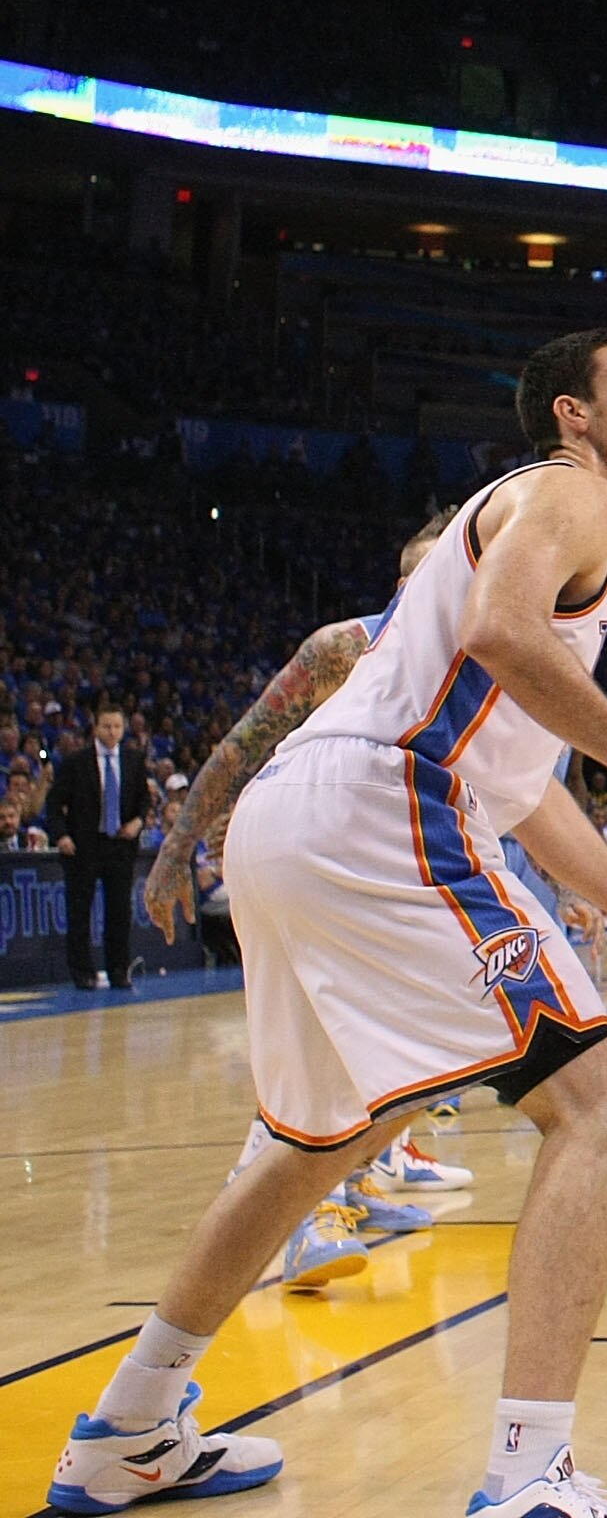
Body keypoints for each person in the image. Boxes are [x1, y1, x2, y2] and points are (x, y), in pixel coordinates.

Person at [50, 327, 607, 1518]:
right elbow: (502, 634)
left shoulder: (558, 525)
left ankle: (127, 1427)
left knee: (314, 1144)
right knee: (604, 1104)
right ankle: (531, 1476)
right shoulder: (567, 491)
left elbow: (522, 788)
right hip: (383, 806)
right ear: (572, 415)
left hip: (299, 820)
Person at [144, 510, 480, 1293]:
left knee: (414, 1053)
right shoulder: (343, 648)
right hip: (302, 859)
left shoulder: (466, 667)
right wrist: (172, 854)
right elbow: (237, 748)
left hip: (383, 870)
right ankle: (300, 1224)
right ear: (406, 584)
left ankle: (355, 1185)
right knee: (318, 1054)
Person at [49, 705, 152, 992]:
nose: (112, 732)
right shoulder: (75, 762)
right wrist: (61, 836)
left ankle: (119, 970)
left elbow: (144, 799)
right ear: (96, 727)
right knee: (79, 913)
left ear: (123, 728)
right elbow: (54, 803)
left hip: (119, 845)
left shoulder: (133, 760)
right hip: (84, 845)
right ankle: (82, 973)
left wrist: (138, 822)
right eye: (107, 726)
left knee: (119, 912)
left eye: (117, 727)